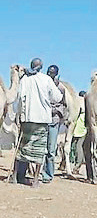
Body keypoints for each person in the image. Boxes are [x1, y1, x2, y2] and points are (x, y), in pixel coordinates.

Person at [10, 58, 63, 187]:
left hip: (27, 118)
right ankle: (35, 180)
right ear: (41, 67)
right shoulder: (46, 80)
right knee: (39, 150)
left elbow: (19, 98)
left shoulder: (24, 80)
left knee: (23, 147)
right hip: (42, 119)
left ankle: (15, 177)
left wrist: (19, 115)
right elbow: (57, 97)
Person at [42, 65, 66, 183]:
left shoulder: (60, 88)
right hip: (42, 120)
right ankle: (39, 173)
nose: (49, 74)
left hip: (54, 121)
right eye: (48, 72)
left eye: (52, 73)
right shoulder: (42, 84)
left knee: (51, 150)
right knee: (41, 149)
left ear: (56, 74)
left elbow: (63, 105)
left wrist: (56, 112)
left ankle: (48, 175)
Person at [70, 91, 87, 174]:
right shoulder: (85, 104)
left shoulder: (81, 104)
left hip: (80, 129)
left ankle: (77, 166)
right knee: (75, 147)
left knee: (78, 147)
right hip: (78, 128)